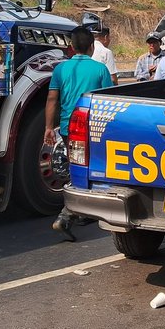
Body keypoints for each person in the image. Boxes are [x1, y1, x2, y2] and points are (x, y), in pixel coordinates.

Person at [45, 26, 114, 241]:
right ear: (92, 47)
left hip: (69, 129)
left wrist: (48, 127)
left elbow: (52, 100)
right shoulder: (100, 70)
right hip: (94, 129)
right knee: (89, 169)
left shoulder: (60, 70)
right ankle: (67, 215)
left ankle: (81, 211)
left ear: (71, 47)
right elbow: (108, 101)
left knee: (78, 167)